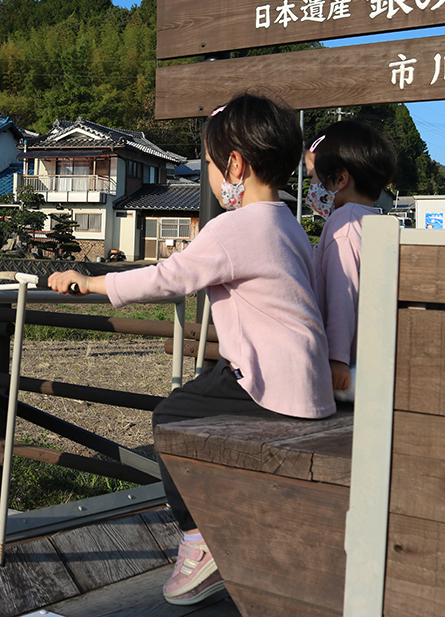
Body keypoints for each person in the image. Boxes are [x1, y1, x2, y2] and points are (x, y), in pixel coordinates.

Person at [49, 93, 332, 606]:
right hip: (304, 381)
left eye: (206, 164)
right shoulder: (288, 222)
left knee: (173, 416)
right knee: (204, 401)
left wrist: (87, 284)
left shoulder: (236, 225)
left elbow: (168, 279)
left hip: (268, 379)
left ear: (235, 166)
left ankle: (201, 541)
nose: (206, 173)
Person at [304, 119, 398, 399]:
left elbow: (341, 295)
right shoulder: (376, 220)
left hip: (349, 370)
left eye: (313, 179)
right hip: (374, 358)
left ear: (340, 179)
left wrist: (337, 361)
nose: (311, 189)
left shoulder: (343, 223)